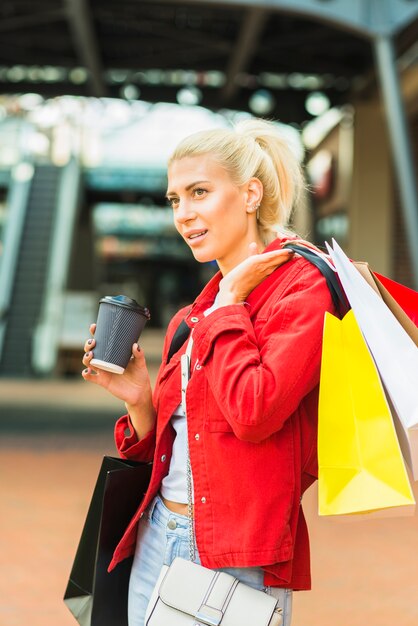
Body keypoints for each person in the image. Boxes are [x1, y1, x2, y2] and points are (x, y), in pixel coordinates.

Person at [82, 119, 336, 626]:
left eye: (199, 192)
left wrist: (228, 305)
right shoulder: (190, 315)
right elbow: (181, 443)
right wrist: (138, 402)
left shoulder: (303, 289)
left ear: (250, 194)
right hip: (156, 535)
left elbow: (256, 413)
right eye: (175, 199)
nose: (184, 213)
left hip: (236, 553)